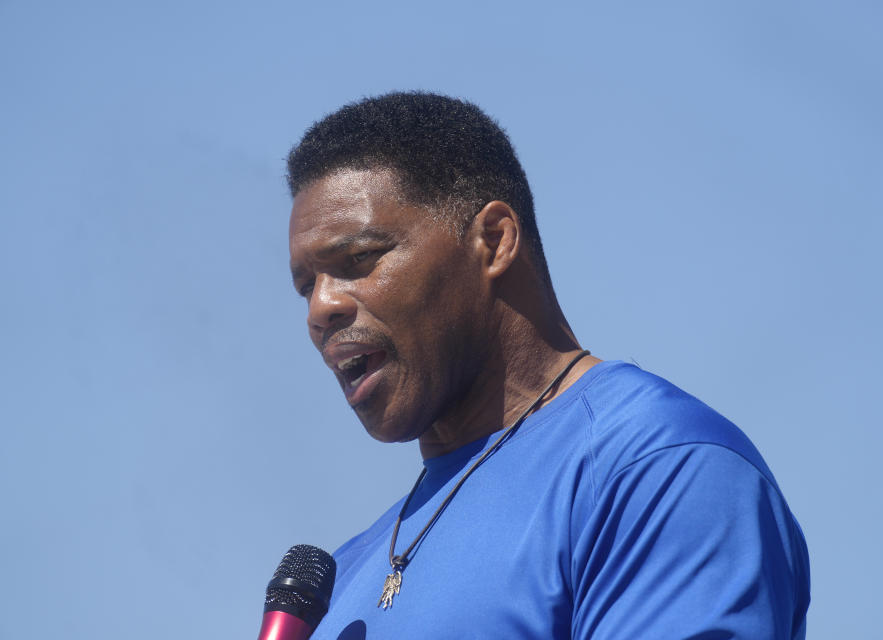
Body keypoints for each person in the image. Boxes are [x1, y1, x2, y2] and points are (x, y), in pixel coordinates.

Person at [286, 92, 810, 639]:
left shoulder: (656, 466)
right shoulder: (341, 581)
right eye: (305, 287)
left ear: (493, 242)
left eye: (358, 260)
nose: (321, 309)